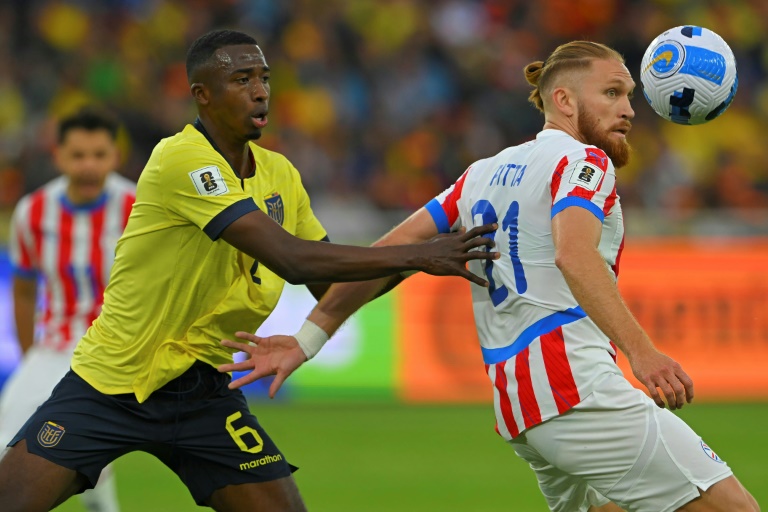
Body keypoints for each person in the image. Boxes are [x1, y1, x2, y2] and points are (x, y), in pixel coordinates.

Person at [223, 41, 760, 512]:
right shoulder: (584, 162)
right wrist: (644, 353)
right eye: (613, 93)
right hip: (575, 386)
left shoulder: (480, 174)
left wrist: (308, 338)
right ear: (564, 100)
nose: (628, 110)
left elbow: (393, 250)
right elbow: (575, 255)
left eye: (630, 97)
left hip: (521, 403)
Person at [0, 30, 496, 512]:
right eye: (241, 79)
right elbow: (292, 258)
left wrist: (420, 249)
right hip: (113, 381)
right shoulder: (181, 159)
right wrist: (418, 255)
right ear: (203, 96)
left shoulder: (280, 174)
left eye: (264, 77)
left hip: (204, 394)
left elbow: (331, 286)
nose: (260, 92)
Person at [0, 107, 134, 512]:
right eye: (78, 155)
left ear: (115, 156)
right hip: (54, 350)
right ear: (58, 156)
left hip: (119, 352)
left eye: (99, 154)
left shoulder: (138, 207)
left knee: (98, 449)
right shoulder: (33, 212)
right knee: (7, 446)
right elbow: (24, 292)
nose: (89, 165)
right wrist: (29, 359)